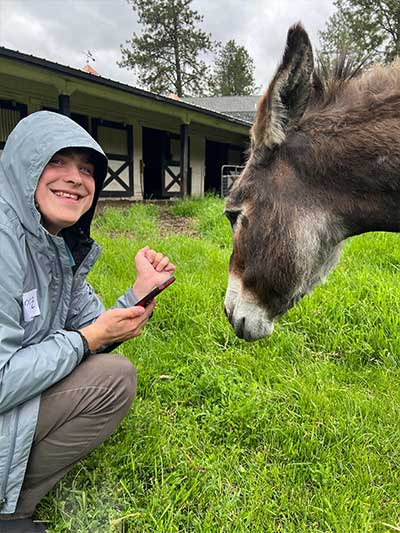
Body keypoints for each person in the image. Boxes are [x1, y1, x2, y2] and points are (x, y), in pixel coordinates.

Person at [0, 111, 176, 533]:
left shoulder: (54, 243)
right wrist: (86, 339)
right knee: (112, 378)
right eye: (57, 162)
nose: (75, 178)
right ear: (24, 166)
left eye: (86, 168)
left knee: (112, 377)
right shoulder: (4, 242)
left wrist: (140, 293)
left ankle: (13, 507)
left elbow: (93, 323)